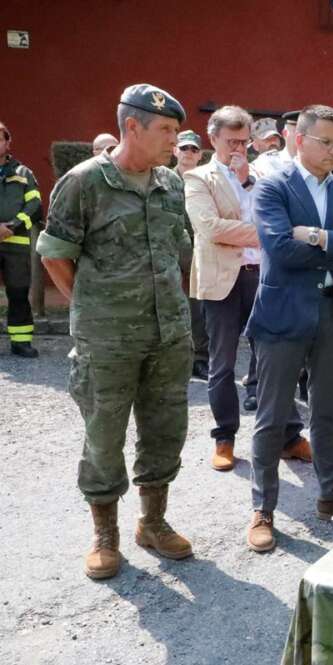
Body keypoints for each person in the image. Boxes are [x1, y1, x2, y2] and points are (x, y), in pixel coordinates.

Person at [37, 84, 195, 580]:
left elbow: (178, 250)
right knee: (104, 435)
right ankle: (106, 535)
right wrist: (93, 304)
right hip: (106, 340)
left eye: (175, 130)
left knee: (165, 430)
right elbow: (55, 253)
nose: (174, 140)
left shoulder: (171, 183)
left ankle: (153, 522)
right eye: (166, 130)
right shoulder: (85, 182)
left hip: (168, 333)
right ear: (133, 127)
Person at [245, 104, 333, 552]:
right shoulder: (272, 187)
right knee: (272, 416)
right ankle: (263, 509)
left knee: (327, 412)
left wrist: (318, 237)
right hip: (283, 313)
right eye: (326, 142)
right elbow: (280, 250)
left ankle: (331, 494)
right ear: (299, 139)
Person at [185, 106, 309, 472]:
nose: (238, 148)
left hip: (262, 275)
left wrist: (247, 183)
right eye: (231, 141)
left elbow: (277, 216)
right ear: (213, 139)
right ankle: (224, 437)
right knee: (222, 364)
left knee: (277, 358)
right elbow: (210, 228)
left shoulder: (259, 174)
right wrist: (271, 235)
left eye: (243, 141)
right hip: (222, 281)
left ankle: (289, 436)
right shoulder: (197, 178)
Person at [0, 120, 42, 358]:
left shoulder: (24, 173)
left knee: (18, 294)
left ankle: (21, 342)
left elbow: (35, 206)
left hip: (16, 245)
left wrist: (12, 227)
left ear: (7, 143)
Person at [174, 129, 210, 380]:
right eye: (184, 148)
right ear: (175, 151)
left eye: (193, 149)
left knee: (198, 310)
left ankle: (200, 358)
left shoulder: (206, 181)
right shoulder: (162, 179)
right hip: (168, 254)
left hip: (199, 255)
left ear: (200, 155)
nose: (188, 153)